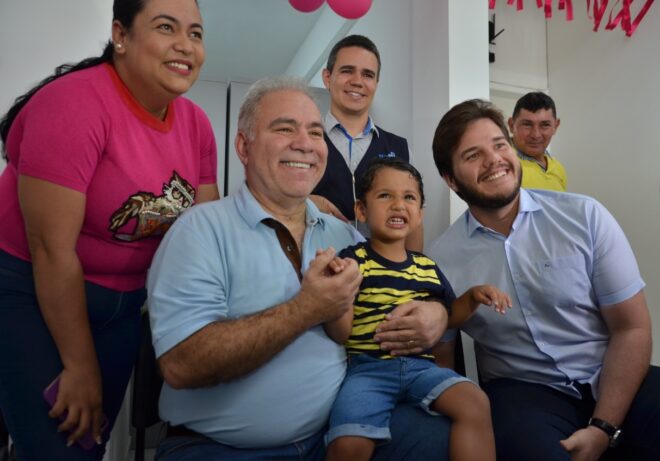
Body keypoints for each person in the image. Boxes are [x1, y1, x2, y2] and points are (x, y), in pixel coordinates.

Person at [147, 76, 451, 460]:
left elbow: (399, 291)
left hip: (334, 434)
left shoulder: (346, 235)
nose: (305, 144)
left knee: (446, 435)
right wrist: (306, 309)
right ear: (243, 147)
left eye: (315, 132)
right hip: (219, 448)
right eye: (284, 128)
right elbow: (182, 364)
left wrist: (437, 315)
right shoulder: (199, 231)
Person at [0, 0, 219, 458]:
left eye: (196, 33)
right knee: (57, 451)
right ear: (121, 35)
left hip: (123, 305)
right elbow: (50, 249)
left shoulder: (196, 125)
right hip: (30, 290)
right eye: (166, 27)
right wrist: (80, 366)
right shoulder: (73, 104)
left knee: (89, 445)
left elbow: (204, 233)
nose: (186, 45)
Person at [428, 99, 660, 461]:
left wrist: (602, 428)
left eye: (499, 145)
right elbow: (442, 355)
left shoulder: (584, 216)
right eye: (473, 155)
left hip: (612, 372)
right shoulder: (440, 260)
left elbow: (631, 328)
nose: (494, 160)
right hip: (524, 393)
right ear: (450, 179)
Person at [323, 158, 508, 461]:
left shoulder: (426, 267)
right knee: (348, 443)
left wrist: (473, 297)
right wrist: (336, 289)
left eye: (409, 197)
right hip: (367, 371)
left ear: (420, 214)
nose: (398, 205)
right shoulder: (353, 261)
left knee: (474, 401)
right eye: (385, 195)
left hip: (422, 368)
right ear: (361, 210)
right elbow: (340, 331)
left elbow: (449, 316)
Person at [311, 34, 424, 251]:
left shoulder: (400, 149)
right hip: (320, 266)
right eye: (347, 71)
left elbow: (414, 224)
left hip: (384, 271)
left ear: (376, 84)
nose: (357, 81)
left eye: (368, 75)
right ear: (327, 77)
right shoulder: (305, 143)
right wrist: (305, 203)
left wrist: (413, 271)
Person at [508, 91, 567, 191]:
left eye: (545, 125)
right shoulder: (503, 166)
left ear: (555, 126)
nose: (535, 135)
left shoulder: (558, 168)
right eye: (527, 124)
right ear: (511, 125)